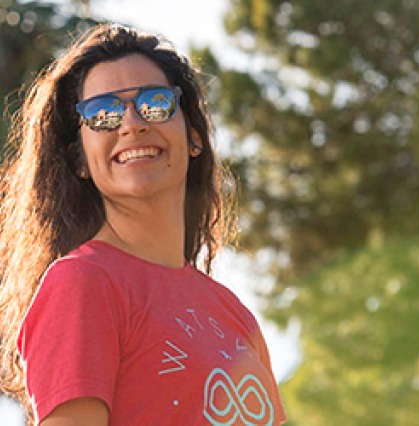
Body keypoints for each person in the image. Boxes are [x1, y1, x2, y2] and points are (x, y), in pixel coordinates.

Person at [0, 23, 286, 425]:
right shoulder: (83, 283)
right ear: (80, 159)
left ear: (193, 136)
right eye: (103, 114)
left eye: (155, 103)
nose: (131, 123)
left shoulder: (234, 313)